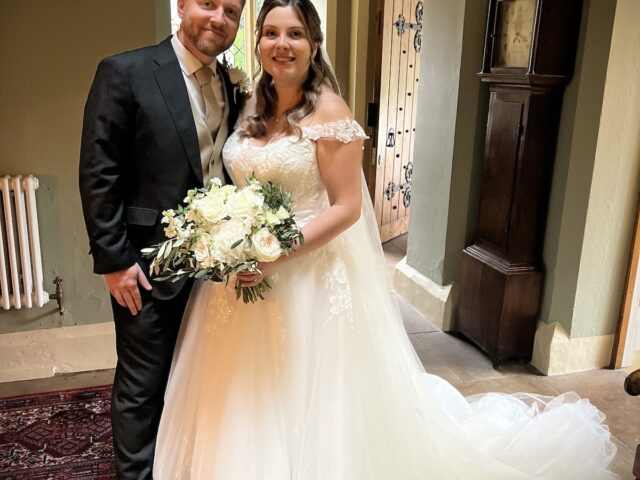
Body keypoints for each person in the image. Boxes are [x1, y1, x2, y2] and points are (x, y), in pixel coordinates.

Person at [154, 0, 618, 478]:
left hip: (306, 274)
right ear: (259, 43)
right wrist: (229, 234)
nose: (281, 45)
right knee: (237, 389)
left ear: (314, 44)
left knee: (309, 391)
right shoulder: (250, 100)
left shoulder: (330, 112)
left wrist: (273, 254)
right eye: (270, 33)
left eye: (294, 34)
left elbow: (346, 208)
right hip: (241, 276)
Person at [78, 0, 245, 477]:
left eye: (230, 11)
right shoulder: (125, 72)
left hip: (217, 269)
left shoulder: (232, 84)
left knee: (197, 378)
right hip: (146, 266)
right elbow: (98, 170)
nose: (217, 18)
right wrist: (114, 260)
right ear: (181, 6)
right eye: (208, 4)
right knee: (142, 385)